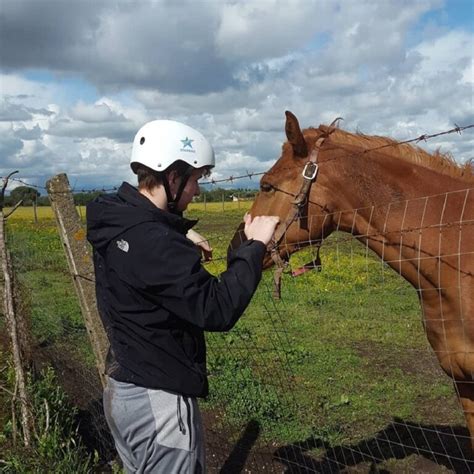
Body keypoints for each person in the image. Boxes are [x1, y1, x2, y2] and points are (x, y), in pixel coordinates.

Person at [86, 119, 279, 473]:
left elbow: (144, 239)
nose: (198, 191)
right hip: (159, 404)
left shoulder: (114, 219)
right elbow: (217, 309)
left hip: (122, 391)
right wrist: (254, 247)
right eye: (195, 179)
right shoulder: (155, 245)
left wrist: (178, 234)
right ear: (171, 178)